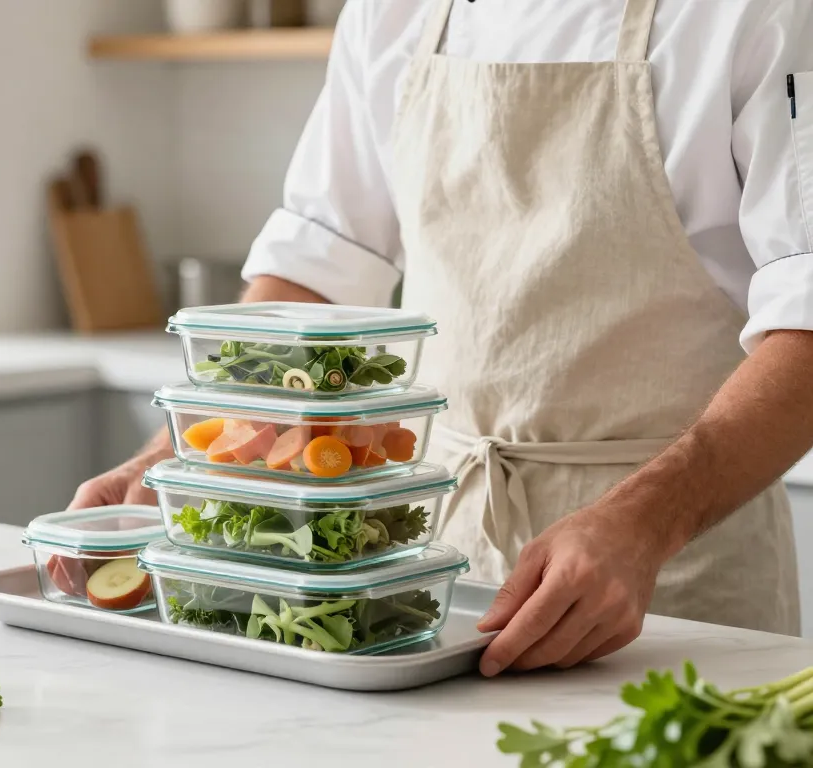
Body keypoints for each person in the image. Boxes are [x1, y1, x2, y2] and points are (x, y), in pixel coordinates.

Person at [71, 0, 813, 677]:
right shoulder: (395, 12)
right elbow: (318, 266)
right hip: (430, 565)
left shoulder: (760, 14)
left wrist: (644, 524)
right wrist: (186, 453)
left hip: (674, 567)